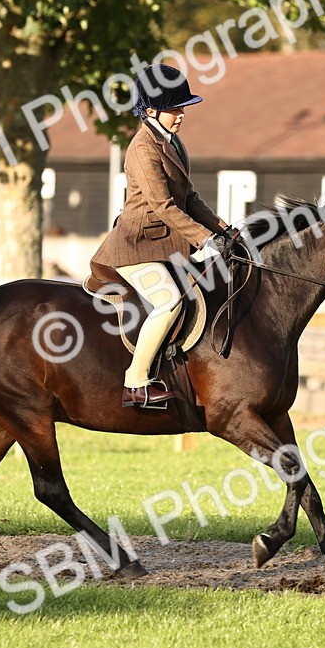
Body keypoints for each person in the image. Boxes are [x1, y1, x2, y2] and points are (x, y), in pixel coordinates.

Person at [88, 64, 236, 408]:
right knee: (170, 300)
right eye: (174, 109)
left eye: (182, 108)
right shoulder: (142, 148)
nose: (181, 114)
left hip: (163, 245)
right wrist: (205, 239)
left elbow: (190, 196)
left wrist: (223, 228)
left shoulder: (172, 141)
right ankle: (136, 383)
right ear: (151, 111)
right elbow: (163, 205)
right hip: (135, 246)